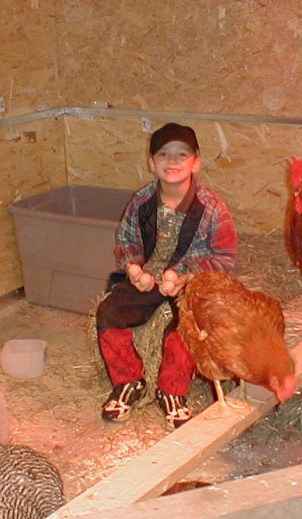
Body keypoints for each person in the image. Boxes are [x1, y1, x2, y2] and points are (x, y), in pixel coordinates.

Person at [96, 122, 237, 428]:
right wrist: (134, 268)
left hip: (191, 281)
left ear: (196, 161)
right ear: (151, 162)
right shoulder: (142, 201)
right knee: (109, 313)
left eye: (181, 154)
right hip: (151, 275)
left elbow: (225, 257)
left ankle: (172, 390)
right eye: (164, 154)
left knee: (188, 325)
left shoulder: (212, 209)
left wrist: (185, 274)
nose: (172, 162)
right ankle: (128, 382)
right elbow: (126, 241)